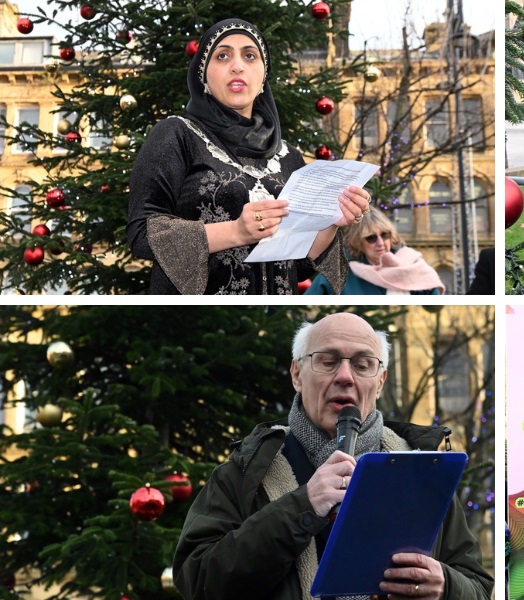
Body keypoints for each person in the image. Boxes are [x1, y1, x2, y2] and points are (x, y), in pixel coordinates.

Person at [173, 313, 493, 600]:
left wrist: (445, 587)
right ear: (297, 374)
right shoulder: (246, 472)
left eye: (363, 365)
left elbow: (478, 587)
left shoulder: (422, 471)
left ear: (380, 382)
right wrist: (304, 504)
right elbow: (197, 581)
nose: (345, 376)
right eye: (328, 361)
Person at [127, 18, 371, 294]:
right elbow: (142, 233)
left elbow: (300, 264)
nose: (237, 66)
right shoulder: (177, 134)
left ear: (263, 75)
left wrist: (330, 222)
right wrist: (236, 232)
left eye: (250, 56)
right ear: (203, 74)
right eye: (222, 56)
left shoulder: (288, 155)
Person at [306, 207, 444, 295]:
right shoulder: (338, 273)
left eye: (385, 235)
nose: (380, 243)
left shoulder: (412, 265)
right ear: (358, 242)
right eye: (371, 238)